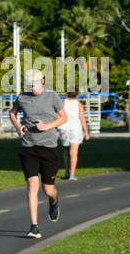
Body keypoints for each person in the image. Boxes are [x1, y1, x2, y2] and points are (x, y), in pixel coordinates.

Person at [10, 68, 68, 238]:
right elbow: (12, 113)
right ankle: (34, 226)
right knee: (32, 185)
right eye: (29, 85)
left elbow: (64, 117)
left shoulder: (52, 96)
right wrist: (18, 127)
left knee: (48, 189)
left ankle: (54, 201)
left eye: (35, 85)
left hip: (48, 147)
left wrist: (48, 126)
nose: (32, 88)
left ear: (42, 81)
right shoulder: (22, 97)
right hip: (29, 147)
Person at [58, 87, 87, 179]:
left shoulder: (63, 103)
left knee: (66, 151)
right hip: (76, 128)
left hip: (64, 128)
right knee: (74, 153)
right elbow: (82, 118)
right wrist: (86, 131)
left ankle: (67, 171)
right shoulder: (79, 104)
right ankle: (72, 174)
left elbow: (58, 115)